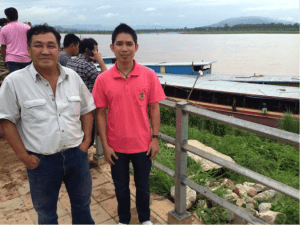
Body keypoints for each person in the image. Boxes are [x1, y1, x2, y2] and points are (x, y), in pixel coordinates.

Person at [0, 24, 95, 225]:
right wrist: (24, 157)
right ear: (28, 49)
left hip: (76, 157)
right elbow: (6, 121)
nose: (45, 51)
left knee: (82, 208)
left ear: (58, 49)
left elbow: (87, 110)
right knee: (46, 215)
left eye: (51, 45)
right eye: (38, 45)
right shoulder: (14, 82)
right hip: (41, 162)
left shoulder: (73, 77)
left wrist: (86, 141)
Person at [92, 23, 166, 225]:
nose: (124, 48)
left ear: (136, 47)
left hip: (143, 144)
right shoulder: (103, 79)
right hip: (116, 146)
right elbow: (100, 113)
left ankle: (145, 219)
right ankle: (123, 220)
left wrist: (155, 138)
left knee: (143, 186)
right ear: (112, 47)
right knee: (120, 187)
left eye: (129, 44)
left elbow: (155, 108)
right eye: (119, 44)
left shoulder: (148, 75)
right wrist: (105, 145)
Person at [66, 38, 107, 149]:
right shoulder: (87, 65)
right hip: (86, 108)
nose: (97, 53)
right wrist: (100, 60)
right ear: (88, 50)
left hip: (71, 105)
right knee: (88, 137)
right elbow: (106, 80)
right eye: (95, 50)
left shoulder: (71, 61)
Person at [0, 7, 31, 73]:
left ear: (7, 17)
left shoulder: (4, 29)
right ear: (17, 15)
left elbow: (3, 46)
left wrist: (4, 59)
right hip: (26, 59)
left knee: (15, 81)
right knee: (28, 80)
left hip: (11, 60)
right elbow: (31, 43)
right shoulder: (27, 27)